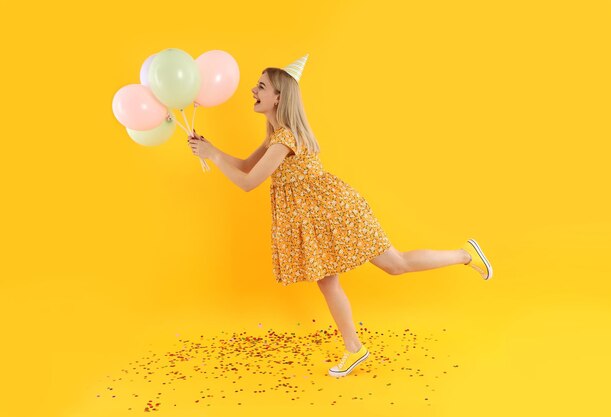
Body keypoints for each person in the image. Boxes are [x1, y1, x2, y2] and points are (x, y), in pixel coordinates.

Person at [187, 53, 493, 378]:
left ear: (279, 97)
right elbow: (248, 167)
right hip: (317, 217)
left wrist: (214, 158)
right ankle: (354, 348)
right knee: (329, 280)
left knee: (395, 265)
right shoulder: (276, 137)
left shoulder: (286, 139)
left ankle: (464, 254)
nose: (252, 90)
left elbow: (248, 183)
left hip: (333, 212)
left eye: (260, 86)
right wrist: (213, 149)